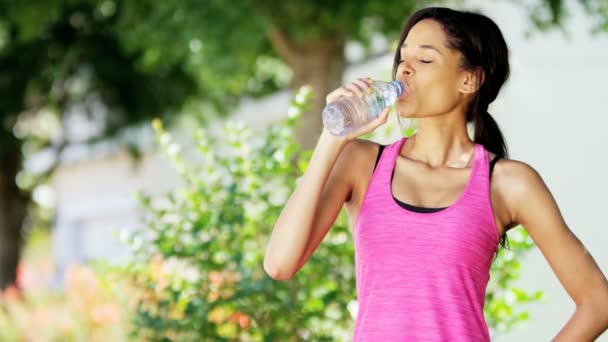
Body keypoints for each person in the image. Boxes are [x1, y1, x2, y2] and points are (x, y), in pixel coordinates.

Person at [263, 6, 608, 341]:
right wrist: (331, 140)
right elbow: (280, 264)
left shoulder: (507, 183)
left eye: (425, 60)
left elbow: (598, 303)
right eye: (403, 58)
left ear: (469, 79)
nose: (404, 71)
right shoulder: (362, 162)